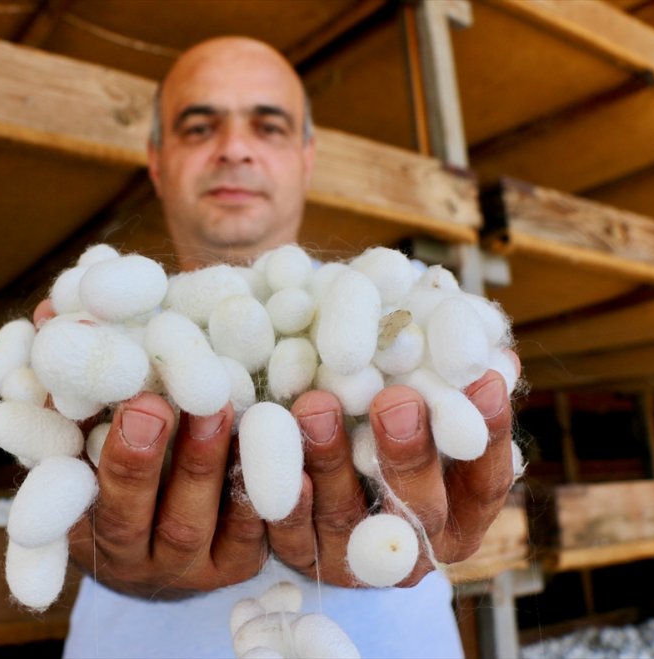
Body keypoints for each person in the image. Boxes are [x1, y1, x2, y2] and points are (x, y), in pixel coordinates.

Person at [43, 36, 517, 658]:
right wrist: (91, 546)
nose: (235, 148)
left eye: (267, 127)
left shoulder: (398, 318)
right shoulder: (91, 327)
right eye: (198, 126)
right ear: (157, 161)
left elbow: (465, 433)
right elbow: (47, 472)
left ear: (306, 157)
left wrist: (450, 503)